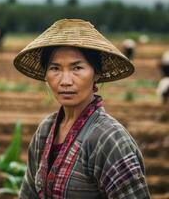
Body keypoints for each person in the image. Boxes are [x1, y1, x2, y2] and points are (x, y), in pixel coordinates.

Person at [13, 19, 150, 199]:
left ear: (97, 74)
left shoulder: (109, 139)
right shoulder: (45, 131)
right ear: (46, 75)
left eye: (77, 68)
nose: (65, 81)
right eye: (55, 68)